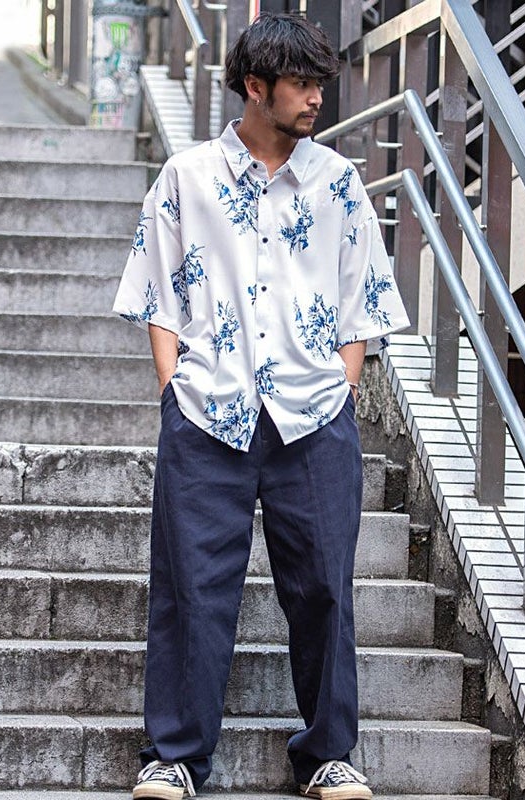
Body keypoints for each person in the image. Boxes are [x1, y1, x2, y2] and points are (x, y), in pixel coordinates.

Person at [112, 11, 409, 800]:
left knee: (325, 589)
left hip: (314, 415)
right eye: (302, 84)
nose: (316, 99)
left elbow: (363, 301)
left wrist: (345, 387)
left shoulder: (338, 183)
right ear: (255, 86)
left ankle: (328, 755)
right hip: (207, 412)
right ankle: (175, 757)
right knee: (191, 587)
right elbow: (157, 292)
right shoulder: (187, 178)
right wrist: (172, 388)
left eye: (319, 84)